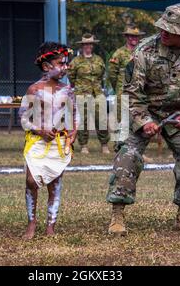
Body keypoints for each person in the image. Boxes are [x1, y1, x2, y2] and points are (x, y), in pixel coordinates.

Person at [106, 4, 180, 236]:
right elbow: (131, 91)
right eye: (162, 27)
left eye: (170, 29)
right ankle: (117, 215)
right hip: (143, 109)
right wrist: (143, 120)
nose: (163, 32)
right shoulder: (145, 50)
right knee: (127, 154)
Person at [19, 42, 77, 239]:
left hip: (58, 143)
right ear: (46, 66)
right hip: (37, 142)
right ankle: (31, 222)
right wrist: (40, 130)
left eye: (66, 63)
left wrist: (73, 132)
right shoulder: (34, 90)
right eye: (61, 63)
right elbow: (24, 118)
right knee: (31, 181)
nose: (65, 67)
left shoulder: (67, 90)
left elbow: (73, 114)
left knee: (55, 184)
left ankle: (51, 224)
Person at [108, 25, 153, 162]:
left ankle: (135, 150)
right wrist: (118, 88)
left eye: (136, 36)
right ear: (127, 37)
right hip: (123, 91)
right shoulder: (119, 53)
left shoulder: (143, 52)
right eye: (131, 36)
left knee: (137, 119)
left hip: (140, 92)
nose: (134, 39)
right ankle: (119, 149)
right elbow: (112, 74)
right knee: (121, 120)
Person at [68, 33, 110, 154]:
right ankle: (84, 145)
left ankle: (104, 144)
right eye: (85, 44)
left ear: (92, 45)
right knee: (82, 121)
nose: (88, 46)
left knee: (101, 119)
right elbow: (71, 77)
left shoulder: (98, 60)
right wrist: (79, 87)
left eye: (90, 44)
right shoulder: (76, 61)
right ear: (82, 46)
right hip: (81, 93)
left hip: (97, 93)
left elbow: (102, 74)